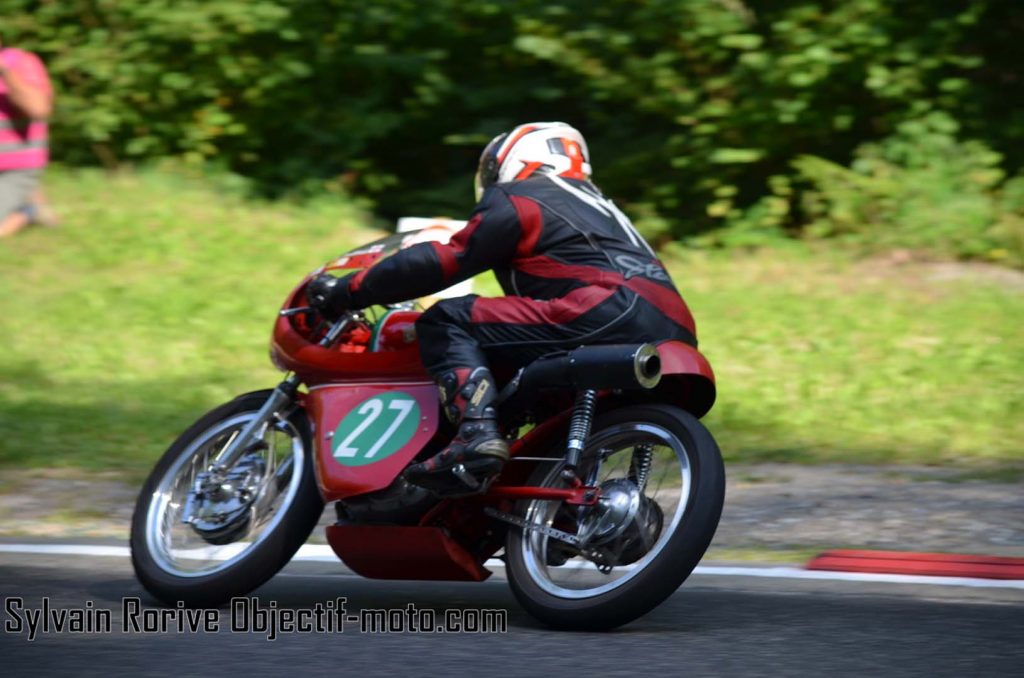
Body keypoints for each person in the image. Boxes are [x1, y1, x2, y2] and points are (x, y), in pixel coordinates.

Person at [308, 122, 698, 494]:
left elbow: (445, 261)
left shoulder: (523, 196)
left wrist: (352, 289)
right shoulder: (604, 208)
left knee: (448, 319)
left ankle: (474, 436)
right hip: (674, 327)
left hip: (601, 309)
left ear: (515, 159)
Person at [0, 38, 54, 238]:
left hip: (15, 168)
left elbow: (39, 109)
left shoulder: (21, 62)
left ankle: (29, 210)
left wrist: (4, 71)